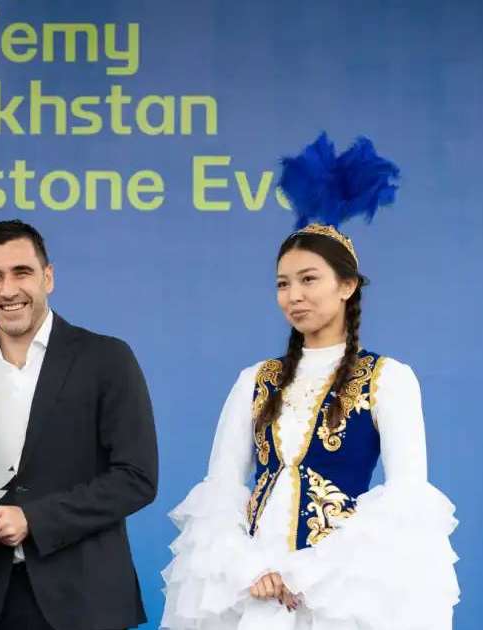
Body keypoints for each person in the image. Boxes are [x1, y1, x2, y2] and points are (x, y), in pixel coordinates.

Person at [160, 134, 460, 629]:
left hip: (337, 590)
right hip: (255, 588)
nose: (293, 295)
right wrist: (249, 567)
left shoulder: (387, 378)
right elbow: (221, 487)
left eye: (308, 279)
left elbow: (408, 495)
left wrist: (309, 574)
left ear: (347, 286)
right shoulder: (256, 380)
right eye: (283, 283)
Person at [0, 220, 159, 630]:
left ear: (48, 277)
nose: (8, 289)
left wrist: (34, 519)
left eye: (22, 272)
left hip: (86, 602)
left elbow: (136, 478)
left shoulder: (106, 358)